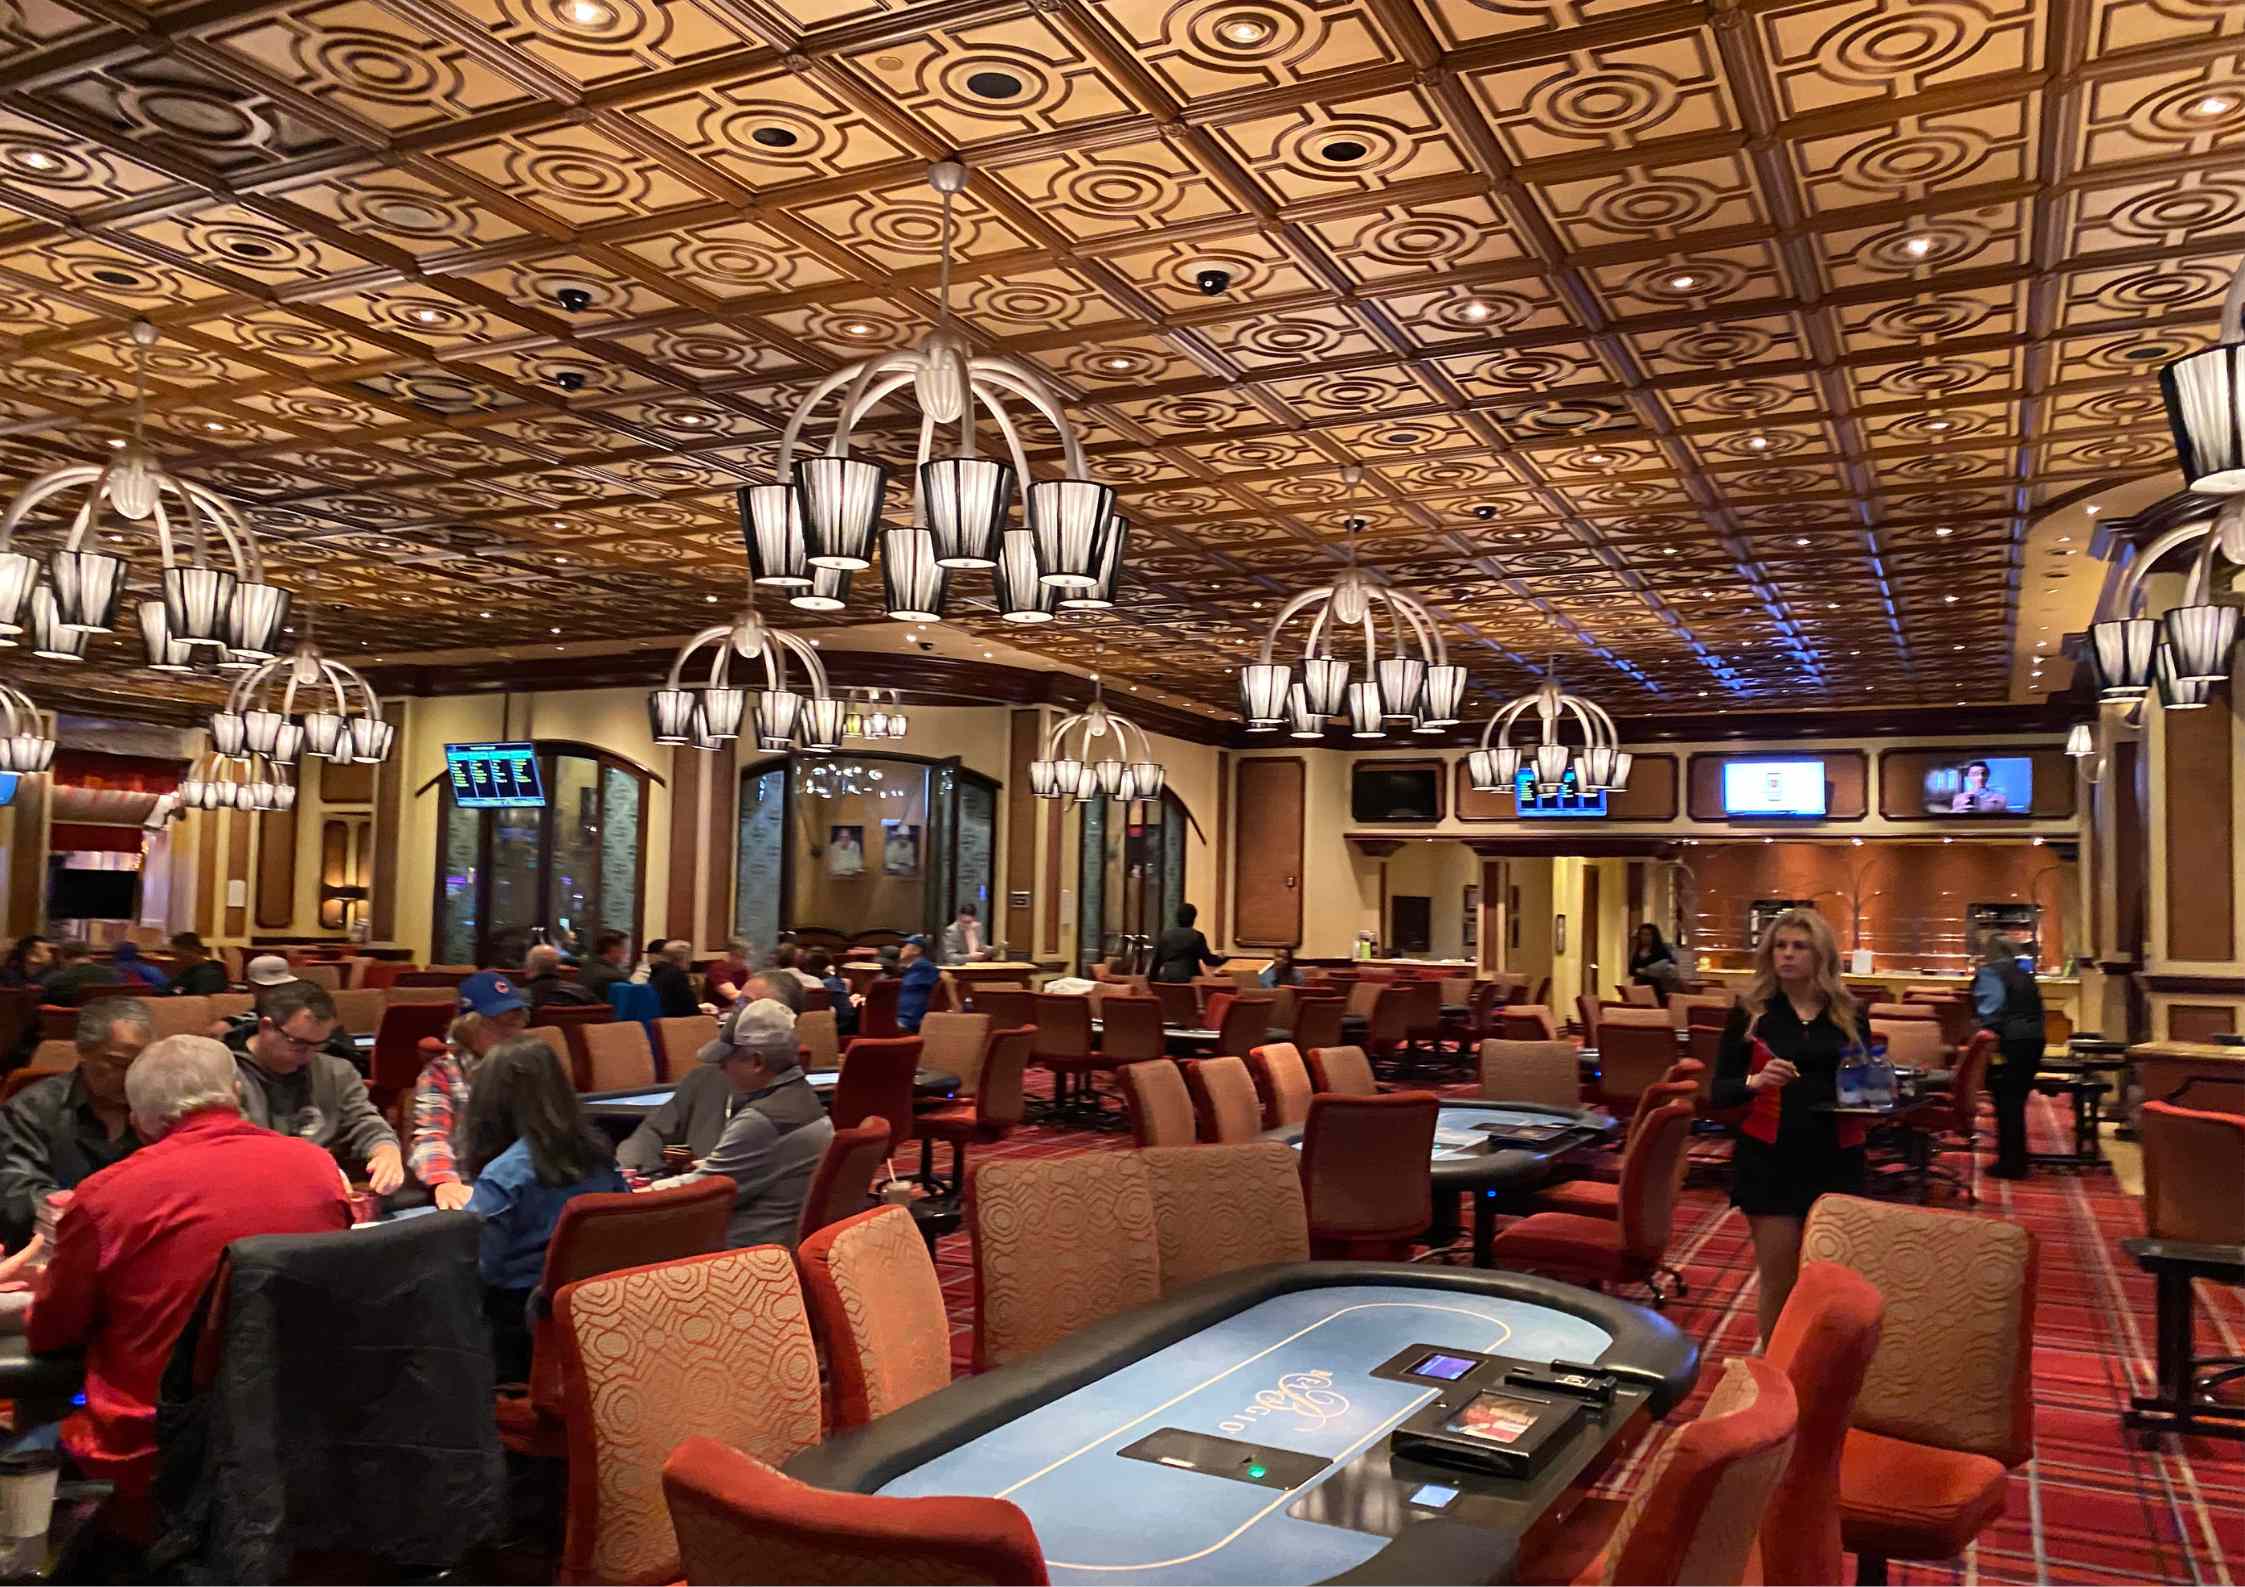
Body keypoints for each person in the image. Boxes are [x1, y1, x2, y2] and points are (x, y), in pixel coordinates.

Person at [27, 1035, 351, 1499]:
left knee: (29, 1432)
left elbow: (52, 1333)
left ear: (139, 1121)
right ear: (236, 1094)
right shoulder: (319, 1166)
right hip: (300, 1432)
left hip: (153, 1452)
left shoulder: (103, 1196)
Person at [1711, 907, 1865, 1347]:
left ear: (1821, 956)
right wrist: (1755, 1082)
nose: (1788, 955)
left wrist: (1874, 1093)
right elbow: (1719, 1090)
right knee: (1778, 1279)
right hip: (1770, 1159)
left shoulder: (1848, 1014)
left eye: (1800, 947)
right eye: (1781, 946)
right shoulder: (1751, 1013)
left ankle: (1818, 1373)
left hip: (1837, 1158)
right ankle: (1775, 1379)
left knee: (1830, 1281)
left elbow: (1863, 1079)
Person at [459, 1037, 625, 1379]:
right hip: (591, 1320)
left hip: (513, 1334)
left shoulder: (503, 1177)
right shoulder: (600, 1157)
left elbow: (476, 1272)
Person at [648, 999, 831, 1249]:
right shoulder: (806, 1100)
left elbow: (702, 1193)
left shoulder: (762, 1120)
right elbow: (766, 1163)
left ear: (757, 1062)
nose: (721, 1068)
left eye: (727, 1059)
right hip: (783, 1244)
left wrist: (641, 1192)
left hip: (742, 1255)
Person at [228, 980, 403, 1195]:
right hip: (254, 1190)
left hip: (328, 1188)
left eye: (319, 1044)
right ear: (267, 1027)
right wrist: (311, 1169)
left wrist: (386, 1150)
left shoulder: (337, 1071)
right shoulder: (223, 1075)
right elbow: (232, 1151)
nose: (310, 1055)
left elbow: (364, 1121)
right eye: (299, 1043)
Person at [0, 999, 151, 1248]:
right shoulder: (31, 1108)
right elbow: (16, 1196)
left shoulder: (156, 1107)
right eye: (118, 1063)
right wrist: (90, 1212)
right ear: (84, 1052)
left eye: (141, 1064)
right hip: (53, 1249)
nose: (133, 1075)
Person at [409, 972, 533, 1211]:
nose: (511, 1033)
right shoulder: (441, 1073)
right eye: (498, 1024)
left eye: (515, 1023)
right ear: (468, 1028)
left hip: (524, 1185)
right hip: (469, 1187)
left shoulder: (529, 1066)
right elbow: (430, 1136)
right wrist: (444, 1181)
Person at [1975, 932, 2046, 1180]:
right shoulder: (2025, 975)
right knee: (2016, 1101)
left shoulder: (1990, 973)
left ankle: (2011, 1163)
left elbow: (1990, 1011)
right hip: (2034, 1040)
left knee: (2006, 1101)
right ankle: (2016, 1159)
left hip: (2009, 1043)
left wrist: (1986, 1042)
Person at [1149, 904, 1224, 983]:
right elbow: (1209, 960)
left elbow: (1155, 964)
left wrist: (1152, 985)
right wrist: (1223, 958)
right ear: (1194, 919)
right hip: (1189, 983)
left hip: (1167, 982)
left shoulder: (1165, 936)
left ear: (1177, 918)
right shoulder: (1197, 936)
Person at [38, 942, 122, 1006]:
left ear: (62, 958)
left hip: (66, 1026)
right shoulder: (113, 975)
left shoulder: (56, 980)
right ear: (89, 956)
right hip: (106, 1025)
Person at [522, 944, 596, 1009]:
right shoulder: (583, 993)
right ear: (558, 967)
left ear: (530, 967)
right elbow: (604, 1016)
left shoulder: (518, 1000)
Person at [803, 949, 856, 1037]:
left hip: (836, 1030)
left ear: (807, 968)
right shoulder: (837, 981)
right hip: (847, 1029)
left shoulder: (823, 985)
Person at [649, 939, 705, 1019]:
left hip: (660, 1023)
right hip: (677, 1024)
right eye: (689, 955)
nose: (690, 960)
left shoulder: (655, 972)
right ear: (683, 957)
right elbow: (691, 1009)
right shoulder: (677, 976)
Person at [895, 935, 940, 1033]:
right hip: (899, 1018)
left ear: (916, 950)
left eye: (905, 946)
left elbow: (946, 976)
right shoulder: (912, 969)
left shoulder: (924, 967)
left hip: (907, 1021)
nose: (901, 949)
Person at [1629, 923, 1683, 1002]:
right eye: (1642, 934)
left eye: (1648, 935)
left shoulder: (1661, 950)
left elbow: (1671, 966)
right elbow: (1632, 970)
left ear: (1654, 936)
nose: (1644, 937)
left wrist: (1648, 970)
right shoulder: (1637, 951)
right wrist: (1640, 971)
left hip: (1658, 988)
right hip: (1640, 987)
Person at [167, 933, 229, 998]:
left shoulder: (209, 975)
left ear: (195, 950)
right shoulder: (187, 973)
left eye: (179, 954)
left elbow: (200, 1002)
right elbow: (175, 992)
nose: (176, 959)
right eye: (174, 955)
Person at [578, 931, 631, 1000]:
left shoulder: (586, 968)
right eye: (626, 950)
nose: (628, 955)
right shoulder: (614, 978)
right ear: (614, 949)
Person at [706, 939, 754, 1004]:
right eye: (743, 957)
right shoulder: (717, 969)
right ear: (731, 955)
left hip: (740, 1009)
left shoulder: (744, 970)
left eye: (748, 957)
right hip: (720, 1010)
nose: (746, 961)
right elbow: (733, 996)